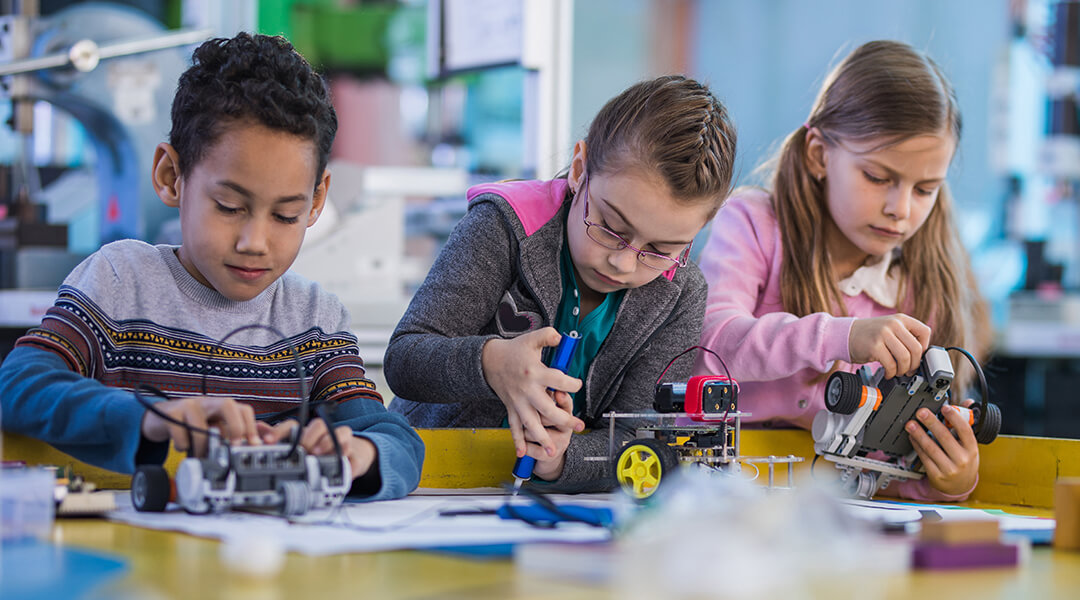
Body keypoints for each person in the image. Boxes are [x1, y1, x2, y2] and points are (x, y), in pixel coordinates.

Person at [0, 33, 423, 501]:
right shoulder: (120, 282)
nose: (254, 243)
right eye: (228, 206)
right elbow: (19, 384)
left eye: (285, 215)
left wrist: (356, 452)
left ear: (317, 200)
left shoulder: (314, 321)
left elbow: (397, 440)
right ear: (170, 176)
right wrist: (152, 417)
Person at [385, 75, 737, 492]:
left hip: (567, 511)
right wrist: (491, 363)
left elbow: (644, 440)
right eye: (610, 226)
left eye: (661, 248)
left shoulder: (682, 293)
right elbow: (405, 359)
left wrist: (562, 459)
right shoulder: (504, 226)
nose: (624, 262)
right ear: (578, 169)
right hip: (429, 477)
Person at [695, 40, 990, 501]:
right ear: (818, 154)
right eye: (877, 177)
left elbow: (889, 474)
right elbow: (709, 348)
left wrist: (949, 482)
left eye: (925, 189)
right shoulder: (752, 223)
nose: (900, 209)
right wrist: (843, 336)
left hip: (834, 520)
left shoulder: (922, 283)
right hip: (722, 491)